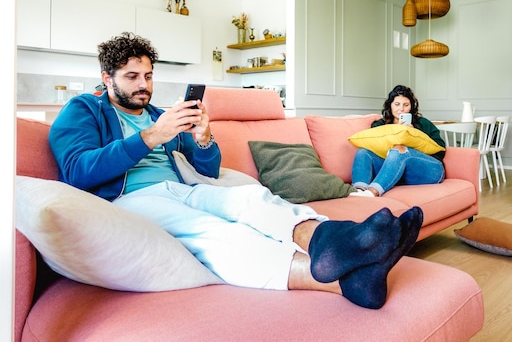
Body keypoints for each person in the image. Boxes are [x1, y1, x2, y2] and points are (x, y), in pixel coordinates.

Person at [48, 32, 423, 310]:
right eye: (132, 77)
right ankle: (343, 282)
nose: (144, 86)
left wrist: (204, 136)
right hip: (131, 200)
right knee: (213, 232)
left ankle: (336, 242)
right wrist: (149, 137)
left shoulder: (160, 114)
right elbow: (78, 172)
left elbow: (207, 170)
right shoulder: (84, 109)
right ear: (106, 76)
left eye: (148, 76)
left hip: (183, 187)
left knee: (250, 197)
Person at [351, 85, 446, 197]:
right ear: (390, 105)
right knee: (363, 152)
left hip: (428, 169)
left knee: (399, 149)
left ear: (411, 107)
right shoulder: (380, 125)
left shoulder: (423, 123)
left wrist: (414, 135)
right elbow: (374, 147)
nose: (401, 109)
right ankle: (358, 191)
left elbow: (441, 149)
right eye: (397, 104)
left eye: (406, 105)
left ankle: (372, 192)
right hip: (395, 172)